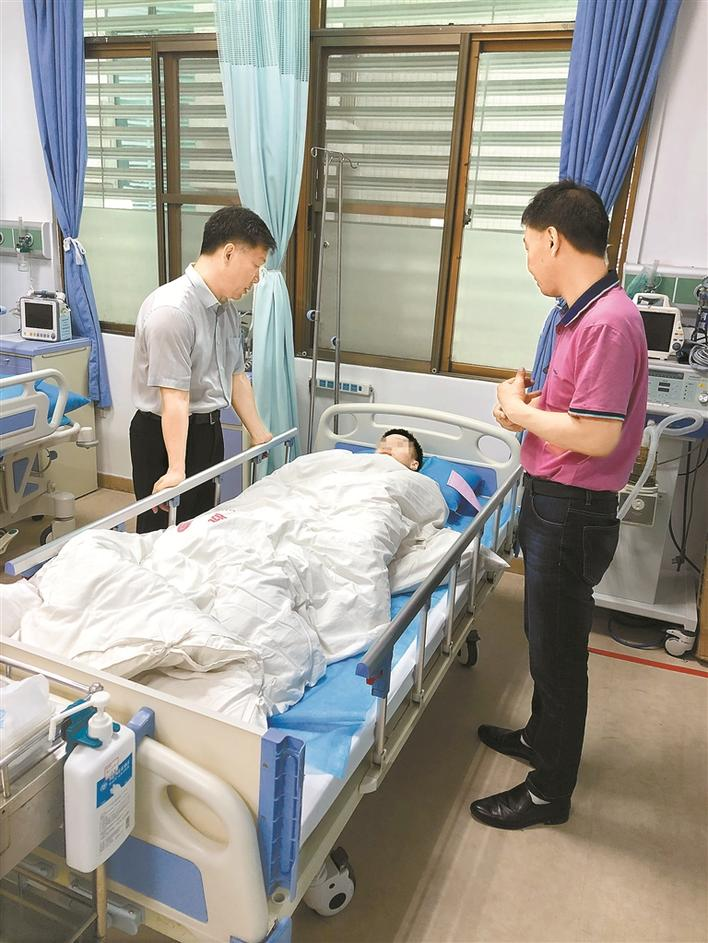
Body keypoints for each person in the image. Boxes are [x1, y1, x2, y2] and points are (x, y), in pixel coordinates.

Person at [470, 181, 648, 829]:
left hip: (572, 510)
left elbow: (597, 435)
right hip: (554, 498)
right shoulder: (578, 314)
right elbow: (574, 407)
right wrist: (529, 404)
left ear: (552, 239)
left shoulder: (606, 322)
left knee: (559, 656)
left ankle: (549, 793)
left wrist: (520, 413)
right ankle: (540, 738)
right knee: (543, 638)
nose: (527, 262)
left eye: (527, 246)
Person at [130, 206, 275, 533]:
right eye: (256, 265)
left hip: (208, 431)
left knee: (201, 528)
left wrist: (259, 432)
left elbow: (236, 376)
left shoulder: (226, 310)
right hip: (163, 435)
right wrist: (176, 467)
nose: (257, 278)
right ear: (229, 253)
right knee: (162, 534)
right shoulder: (172, 311)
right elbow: (174, 398)